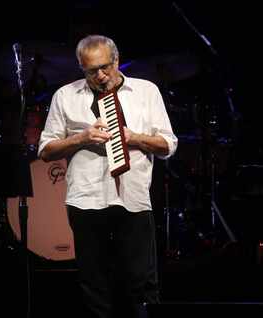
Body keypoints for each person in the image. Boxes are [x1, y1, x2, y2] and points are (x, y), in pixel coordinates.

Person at [38, 35, 178, 318]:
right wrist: (81, 138)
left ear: (116, 60)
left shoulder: (146, 91)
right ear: (81, 68)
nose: (100, 76)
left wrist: (134, 137)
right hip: (86, 200)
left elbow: (168, 145)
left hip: (133, 200)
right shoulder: (65, 96)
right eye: (91, 71)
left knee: (141, 284)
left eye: (105, 67)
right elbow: (46, 150)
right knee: (94, 287)